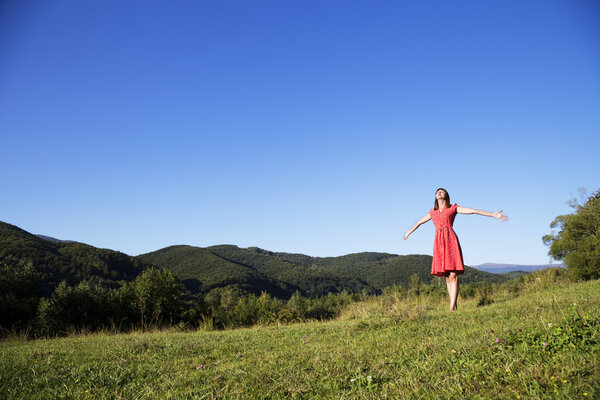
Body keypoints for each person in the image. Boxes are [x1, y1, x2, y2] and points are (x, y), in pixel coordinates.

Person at [403, 188, 507, 311]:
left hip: (450, 240)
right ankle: (453, 305)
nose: (439, 193)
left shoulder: (453, 208)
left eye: (442, 192)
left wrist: (492, 214)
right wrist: (410, 231)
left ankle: (452, 307)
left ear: (446, 195)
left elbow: (473, 211)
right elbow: (419, 222)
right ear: (435, 197)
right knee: (447, 276)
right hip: (439, 243)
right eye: (437, 192)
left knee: (453, 274)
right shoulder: (433, 212)